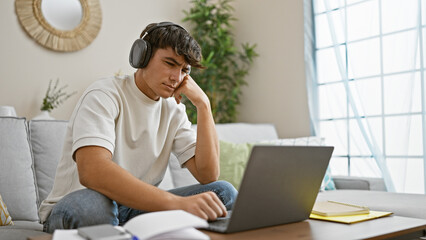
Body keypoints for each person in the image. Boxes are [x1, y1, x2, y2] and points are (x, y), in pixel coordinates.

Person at [39, 21, 238, 233]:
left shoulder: (174, 109)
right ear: (141, 56)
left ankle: (127, 231)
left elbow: (208, 175)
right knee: (94, 207)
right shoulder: (104, 95)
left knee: (223, 192)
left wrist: (203, 105)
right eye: (170, 63)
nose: (176, 77)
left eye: (184, 70)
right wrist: (176, 204)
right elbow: (92, 172)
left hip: (133, 209)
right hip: (79, 204)